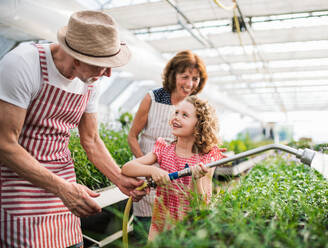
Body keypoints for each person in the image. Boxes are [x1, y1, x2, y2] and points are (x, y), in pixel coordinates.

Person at [0, 10, 148, 248]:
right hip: (20, 186)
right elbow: (5, 144)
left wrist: (119, 178)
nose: (109, 74)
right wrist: (61, 188)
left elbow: (91, 139)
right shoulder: (24, 64)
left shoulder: (89, 80)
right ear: (76, 56)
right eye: (103, 65)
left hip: (66, 186)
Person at [127, 50, 208, 238]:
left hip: (180, 182)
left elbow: (201, 141)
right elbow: (133, 136)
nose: (189, 84)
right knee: (146, 231)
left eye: (195, 78)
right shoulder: (153, 98)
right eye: (185, 76)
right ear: (173, 75)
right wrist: (146, 168)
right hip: (149, 178)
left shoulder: (194, 106)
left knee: (175, 233)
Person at [122, 95, 224, 240]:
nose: (176, 117)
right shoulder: (165, 149)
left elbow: (203, 205)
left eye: (185, 115)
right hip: (160, 227)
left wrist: (197, 181)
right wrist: (152, 170)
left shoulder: (206, 158)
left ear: (199, 124)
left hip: (191, 230)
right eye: (176, 112)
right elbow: (127, 168)